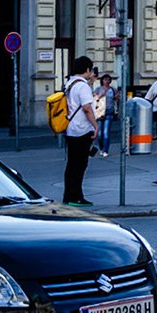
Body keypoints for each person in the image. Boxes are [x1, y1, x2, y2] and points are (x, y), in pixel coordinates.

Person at [61, 57, 98, 206]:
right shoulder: (83, 87)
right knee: (80, 164)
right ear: (87, 69)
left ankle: (68, 196)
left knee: (71, 164)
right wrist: (95, 126)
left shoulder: (70, 84)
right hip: (82, 129)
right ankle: (76, 196)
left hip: (70, 129)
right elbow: (87, 108)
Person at [95, 74, 119, 157]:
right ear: (102, 81)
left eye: (108, 80)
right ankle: (101, 148)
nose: (107, 81)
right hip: (100, 113)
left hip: (109, 111)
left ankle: (105, 150)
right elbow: (94, 99)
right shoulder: (98, 89)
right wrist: (101, 94)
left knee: (106, 132)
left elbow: (116, 100)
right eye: (105, 80)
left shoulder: (113, 90)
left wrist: (116, 97)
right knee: (99, 134)